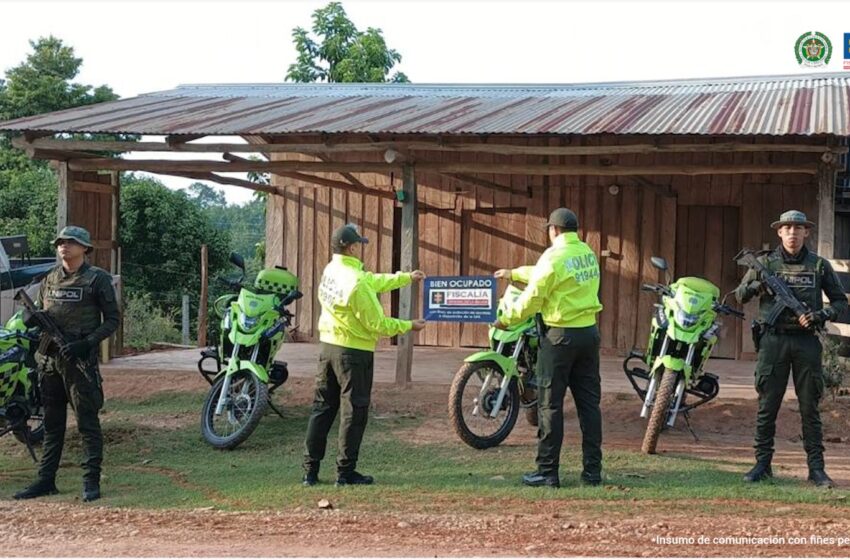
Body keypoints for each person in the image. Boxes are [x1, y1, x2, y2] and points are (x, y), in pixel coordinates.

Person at [303, 224, 427, 486]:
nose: (360, 249)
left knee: (322, 409)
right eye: (358, 244)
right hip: (354, 353)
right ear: (351, 247)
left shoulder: (332, 270)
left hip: (327, 348)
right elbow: (378, 324)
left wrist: (405, 277)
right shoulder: (356, 283)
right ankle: (345, 472)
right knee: (353, 412)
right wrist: (408, 325)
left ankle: (310, 472)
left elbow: (373, 280)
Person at [735, 210, 848, 488]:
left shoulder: (819, 266)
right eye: (788, 228)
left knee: (810, 406)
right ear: (779, 232)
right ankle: (762, 464)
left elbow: (841, 304)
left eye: (798, 229)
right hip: (773, 340)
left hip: (806, 342)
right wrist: (759, 284)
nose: (793, 234)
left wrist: (820, 316)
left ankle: (816, 468)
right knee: (767, 405)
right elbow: (740, 295)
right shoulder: (765, 263)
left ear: (806, 232)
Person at [493, 208, 604, 488]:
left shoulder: (553, 256)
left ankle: (547, 472)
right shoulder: (587, 254)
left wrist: (507, 318)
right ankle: (592, 472)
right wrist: (514, 272)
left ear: (552, 230)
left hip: (559, 339)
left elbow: (534, 296)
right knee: (589, 406)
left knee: (550, 406)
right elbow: (547, 274)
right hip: (588, 335)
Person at [14, 226, 120, 502]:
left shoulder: (97, 279)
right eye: (61, 242)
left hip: (79, 361)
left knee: (87, 423)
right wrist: (32, 320)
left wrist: (87, 343)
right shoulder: (49, 279)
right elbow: (38, 313)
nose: (64, 246)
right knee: (52, 425)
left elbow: (112, 320)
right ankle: (46, 480)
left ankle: (90, 481)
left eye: (71, 242)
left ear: (84, 248)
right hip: (50, 361)